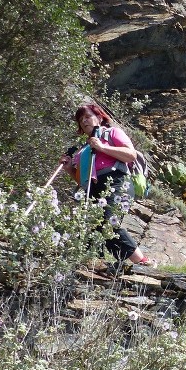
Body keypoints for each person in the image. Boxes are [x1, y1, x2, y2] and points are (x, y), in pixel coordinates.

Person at [60, 100, 152, 267]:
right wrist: (69, 169)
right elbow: (82, 180)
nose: (84, 121)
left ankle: (142, 263)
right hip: (93, 188)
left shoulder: (112, 133)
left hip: (117, 182)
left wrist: (102, 147)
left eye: (88, 116)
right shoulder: (83, 151)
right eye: (81, 120)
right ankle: (96, 266)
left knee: (108, 224)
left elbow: (130, 155)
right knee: (91, 229)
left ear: (99, 118)